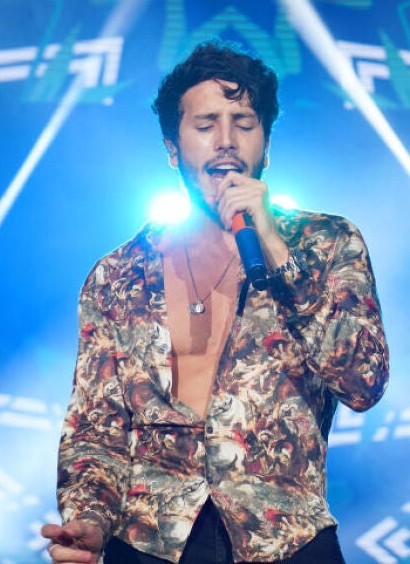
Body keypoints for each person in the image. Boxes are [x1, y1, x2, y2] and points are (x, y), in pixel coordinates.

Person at [41, 41, 389, 563]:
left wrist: (277, 251)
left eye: (243, 123)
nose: (226, 141)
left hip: (286, 539)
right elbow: (95, 427)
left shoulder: (328, 244)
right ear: (172, 149)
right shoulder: (117, 276)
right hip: (150, 542)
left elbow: (363, 383)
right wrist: (89, 519)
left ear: (266, 146)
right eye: (206, 125)